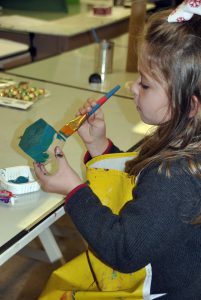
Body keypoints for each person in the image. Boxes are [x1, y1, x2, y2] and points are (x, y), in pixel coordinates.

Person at [34, 1, 201, 299]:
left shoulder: (177, 177)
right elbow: (146, 195)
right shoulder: (185, 143)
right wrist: (100, 146)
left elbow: (124, 250)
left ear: (189, 104)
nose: (132, 87)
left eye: (145, 85)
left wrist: (74, 192)